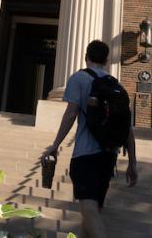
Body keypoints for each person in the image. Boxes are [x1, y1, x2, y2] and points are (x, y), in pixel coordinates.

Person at [42, 40, 137, 238]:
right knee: (92, 212)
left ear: (86, 56)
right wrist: (132, 163)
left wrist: (55, 145)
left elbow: (71, 114)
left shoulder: (79, 78)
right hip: (108, 155)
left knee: (89, 209)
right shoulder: (116, 85)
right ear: (106, 60)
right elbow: (127, 128)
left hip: (85, 154)